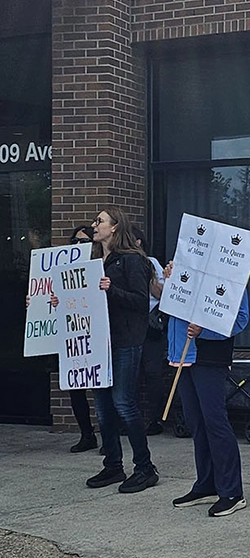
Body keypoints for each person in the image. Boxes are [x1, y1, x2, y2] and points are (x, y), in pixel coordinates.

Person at [164, 260, 250, 517]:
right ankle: (207, 484)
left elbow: (241, 318)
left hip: (209, 357)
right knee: (197, 422)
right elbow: (165, 304)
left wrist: (206, 331)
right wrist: (168, 282)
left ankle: (232, 491)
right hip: (182, 353)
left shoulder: (232, 278)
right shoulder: (184, 271)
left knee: (215, 422)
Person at [85, 208, 158, 493]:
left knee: (124, 403)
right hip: (99, 341)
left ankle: (144, 467)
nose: (94, 225)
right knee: (103, 405)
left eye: (100, 221)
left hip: (125, 340)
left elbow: (141, 302)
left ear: (115, 227)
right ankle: (113, 464)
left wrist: (111, 289)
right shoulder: (93, 261)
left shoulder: (131, 261)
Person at [68, 224, 100, 452]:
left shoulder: (102, 267)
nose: (78, 246)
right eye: (75, 242)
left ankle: (109, 437)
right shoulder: (64, 270)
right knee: (75, 388)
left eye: (83, 242)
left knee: (101, 389)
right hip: (73, 333)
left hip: (97, 332)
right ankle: (86, 434)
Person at [133, 228, 168, 436]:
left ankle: (156, 419)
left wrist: (148, 275)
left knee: (152, 372)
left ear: (138, 242)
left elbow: (161, 294)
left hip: (149, 325)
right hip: (129, 325)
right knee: (132, 375)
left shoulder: (151, 262)